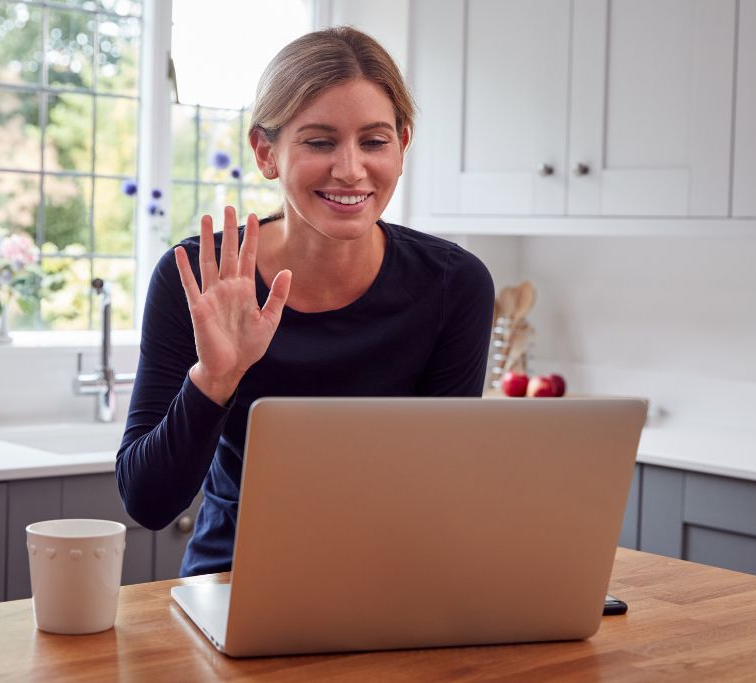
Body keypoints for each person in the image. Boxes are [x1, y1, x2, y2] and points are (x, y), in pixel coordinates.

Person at [116, 26, 495, 577]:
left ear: (403, 145)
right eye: (319, 141)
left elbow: (443, 487)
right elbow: (148, 504)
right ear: (266, 152)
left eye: (374, 140)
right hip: (233, 579)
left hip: (397, 580)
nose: (350, 169)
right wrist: (216, 379)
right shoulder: (198, 279)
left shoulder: (454, 285)